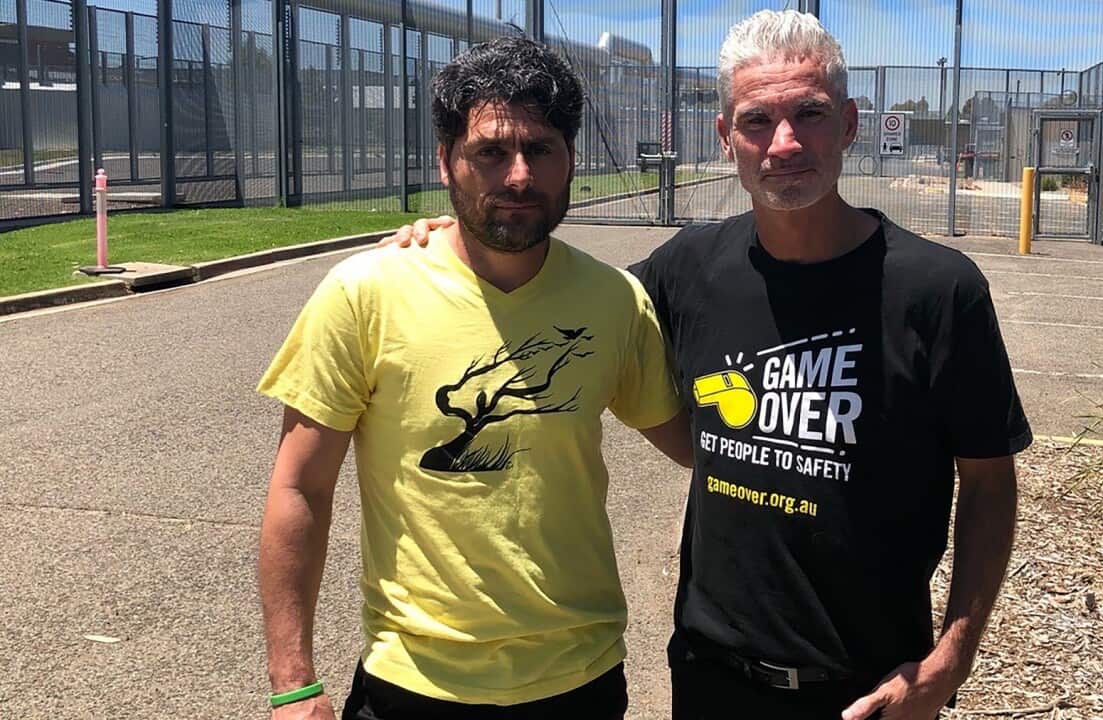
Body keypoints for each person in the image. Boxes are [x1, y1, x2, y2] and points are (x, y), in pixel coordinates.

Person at [382, 11, 1030, 720]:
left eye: (808, 114)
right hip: (710, 674)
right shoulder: (689, 268)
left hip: (868, 687)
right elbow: (561, 301)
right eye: (757, 121)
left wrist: (950, 659)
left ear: (847, 124)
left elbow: (990, 484)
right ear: (727, 139)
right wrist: (461, 236)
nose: (784, 143)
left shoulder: (937, 290)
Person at [257, 36, 691, 720]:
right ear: (445, 161)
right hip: (415, 681)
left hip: (577, 678)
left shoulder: (613, 301)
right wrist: (293, 683)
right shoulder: (365, 293)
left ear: (570, 158)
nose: (519, 175)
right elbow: (300, 487)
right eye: (491, 151)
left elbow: (696, 443)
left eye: (540, 149)